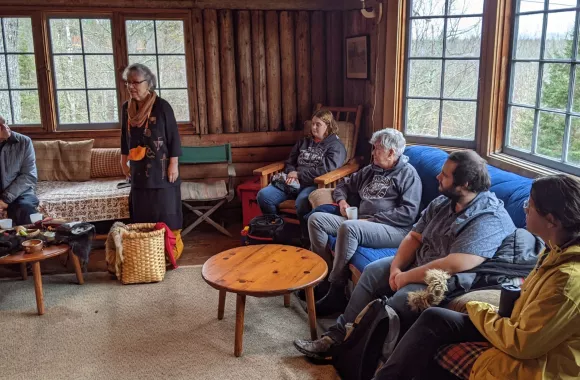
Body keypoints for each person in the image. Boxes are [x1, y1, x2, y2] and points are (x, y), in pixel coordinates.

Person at [294, 150, 516, 360]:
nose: (438, 176)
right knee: (372, 272)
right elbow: (414, 237)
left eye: (445, 175)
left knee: (402, 299)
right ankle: (336, 336)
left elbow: (455, 263)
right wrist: (396, 269)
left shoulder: (488, 217)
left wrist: (406, 278)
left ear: (465, 183)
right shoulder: (443, 202)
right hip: (420, 261)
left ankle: (359, 353)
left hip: (445, 280)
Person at [374, 174, 580, 380]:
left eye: (530, 205)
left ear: (551, 220)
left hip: (543, 363)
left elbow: (522, 343)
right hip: (521, 329)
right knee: (434, 317)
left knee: (433, 344)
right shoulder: (555, 250)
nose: (525, 209)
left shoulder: (567, 279)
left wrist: (477, 308)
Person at [307, 128, 422, 316]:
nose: (373, 153)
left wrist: (370, 219)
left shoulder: (408, 175)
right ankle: (323, 280)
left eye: (377, 149)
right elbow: (343, 185)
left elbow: (408, 214)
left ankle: (336, 291)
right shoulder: (371, 170)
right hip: (360, 222)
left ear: (391, 152)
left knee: (349, 228)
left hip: (395, 229)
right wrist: (342, 201)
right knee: (316, 220)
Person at [256, 110, 347, 236]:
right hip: (291, 181)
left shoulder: (336, 146)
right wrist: (291, 172)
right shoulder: (304, 141)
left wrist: (299, 175)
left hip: (314, 184)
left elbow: (326, 169)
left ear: (328, 126)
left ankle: (306, 238)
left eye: (318, 125)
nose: (313, 127)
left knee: (301, 203)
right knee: (264, 196)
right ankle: (278, 231)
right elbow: (290, 161)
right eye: (313, 124)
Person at [120, 63, 183, 230]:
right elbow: (124, 136)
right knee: (141, 213)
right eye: (128, 82)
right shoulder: (126, 108)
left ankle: (167, 247)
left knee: (164, 211)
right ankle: (145, 248)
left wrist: (173, 164)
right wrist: (123, 160)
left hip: (161, 169)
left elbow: (174, 137)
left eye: (135, 82)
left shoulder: (162, 106)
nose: (131, 86)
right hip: (138, 169)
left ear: (148, 83)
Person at [0, 115, 39, 226]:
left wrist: (5, 200)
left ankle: (28, 241)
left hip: (19, 192)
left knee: (25, 207)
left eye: (5, 123)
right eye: (0, 126)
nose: (5, 127)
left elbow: (29, 176)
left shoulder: (24, 142)